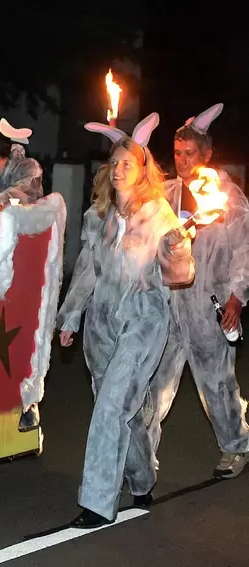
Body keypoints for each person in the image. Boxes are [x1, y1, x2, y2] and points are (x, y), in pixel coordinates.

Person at [56, 113, 195, 528]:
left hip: (143, 322)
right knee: (122, 410)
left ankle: (98, 502)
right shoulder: (97, 217)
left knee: (113, 405)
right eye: (114, 163)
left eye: (127, 164)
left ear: (142, 171)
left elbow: (181, 276)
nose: (118, 170)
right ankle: (142, 477)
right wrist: (71, 316)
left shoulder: (160, 216)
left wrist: (176, 249)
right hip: (101, 326)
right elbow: (85, 270)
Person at [147, 103, 249, 479]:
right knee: (156, 383)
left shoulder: (227, 196)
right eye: (177, 154)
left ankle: (236, 446)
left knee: (216, 384)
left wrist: (237, 297)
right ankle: (142, 455)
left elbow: (245, 249)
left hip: (210, 306)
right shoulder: (166, 195)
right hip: (169, 307)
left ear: (206, 154)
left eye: (190, 154)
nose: (183, 162)